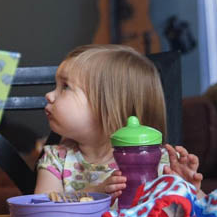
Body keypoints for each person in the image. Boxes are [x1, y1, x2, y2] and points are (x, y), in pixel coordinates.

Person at [34, 44, 203, 202]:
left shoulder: (159, 160)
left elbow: (209, 213)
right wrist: (95, 194)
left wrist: (190, 190)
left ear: (107, 105)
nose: (49, 95)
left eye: (65, 86)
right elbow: (42, 208)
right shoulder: (56, 159)